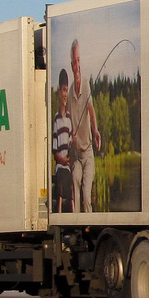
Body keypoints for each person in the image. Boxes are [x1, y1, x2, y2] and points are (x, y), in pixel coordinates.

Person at [68, 39, 101, 213]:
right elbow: (67, 122)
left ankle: (88, 225)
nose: (77, 65)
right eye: (75, 62)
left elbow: (91, 108)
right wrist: (70, 136)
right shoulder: (70, 92)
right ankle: (76, 224)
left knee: (86, 196)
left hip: (87, 153)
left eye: (79, 60)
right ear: (71, 65)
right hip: (76, 153)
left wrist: (95, 130)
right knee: (75, 181)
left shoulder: (86, 84)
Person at [51, 69, 74, 213]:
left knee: (71, 191)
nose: (65, 94)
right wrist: (61, 160)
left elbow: (71, 143)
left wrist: (69, 159)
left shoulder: (70, 117)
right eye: (63, 90)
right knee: (59, 187)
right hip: (60, 166)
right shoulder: (57, 118)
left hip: (68, 165)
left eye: (67, 90)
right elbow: (54, 149)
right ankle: (58, 214)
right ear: (59, 92)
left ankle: (73, 214)